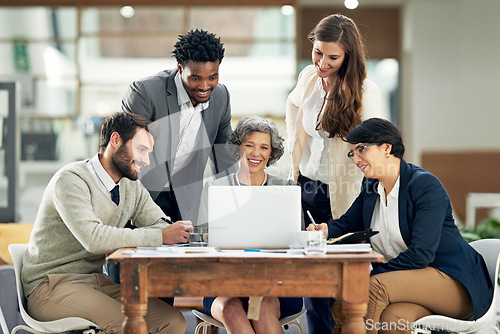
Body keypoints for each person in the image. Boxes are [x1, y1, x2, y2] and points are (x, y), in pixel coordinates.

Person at [308, 118, 493, 333]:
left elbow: (420, 254)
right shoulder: (371, 186)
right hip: (410, 284)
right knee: (393, 319)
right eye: (353, 153)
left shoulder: (424, 186)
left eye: (361, 150)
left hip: (453, 282)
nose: (356, 159)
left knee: (372, 288)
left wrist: (373, 273)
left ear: (386, 148)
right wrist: (325, 230)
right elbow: (349, 223)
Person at [21, 112, 194, 334]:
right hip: (50, 286)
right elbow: (94, 238)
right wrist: (160, 237)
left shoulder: (130, 186)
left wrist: (163, 232)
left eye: (149, 153)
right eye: (141, 149)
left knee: (173, 321)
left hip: (95, 281)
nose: (146, 160)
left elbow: (160, 223)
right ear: (115, 140)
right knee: (130, 326)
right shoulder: (71, 179)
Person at [285, 13, 382, 332]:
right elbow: (293, 105)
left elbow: (378, 144)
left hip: (348, 192)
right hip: (309, 188)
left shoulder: (366, 91)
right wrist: (292, 158)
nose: (322, 62)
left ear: (349, 57)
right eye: (318, 52)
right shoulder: (308, 79)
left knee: (343, 281)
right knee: (313, 280)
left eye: (332, 57)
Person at [199, 116, 303, 334]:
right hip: (224, 284)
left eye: (264, 147)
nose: (256, 154)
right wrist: (207, 239)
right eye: (249, 146)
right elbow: (201, 239)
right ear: (238, 148)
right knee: (231, 310)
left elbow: (297, 242)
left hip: (277, 284)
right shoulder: (215, 188)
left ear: (271, 153)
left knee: (263, 308)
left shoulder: (285, 189)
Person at [122, 28, 237, 225]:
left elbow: (225, 157)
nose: (204, 86)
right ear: (180, 68)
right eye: (196, 78)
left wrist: (237, 200)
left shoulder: (221, 96)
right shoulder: (145, 93)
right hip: (143, 194)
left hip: (186, 199)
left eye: (213, 77)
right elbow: (125, 154)